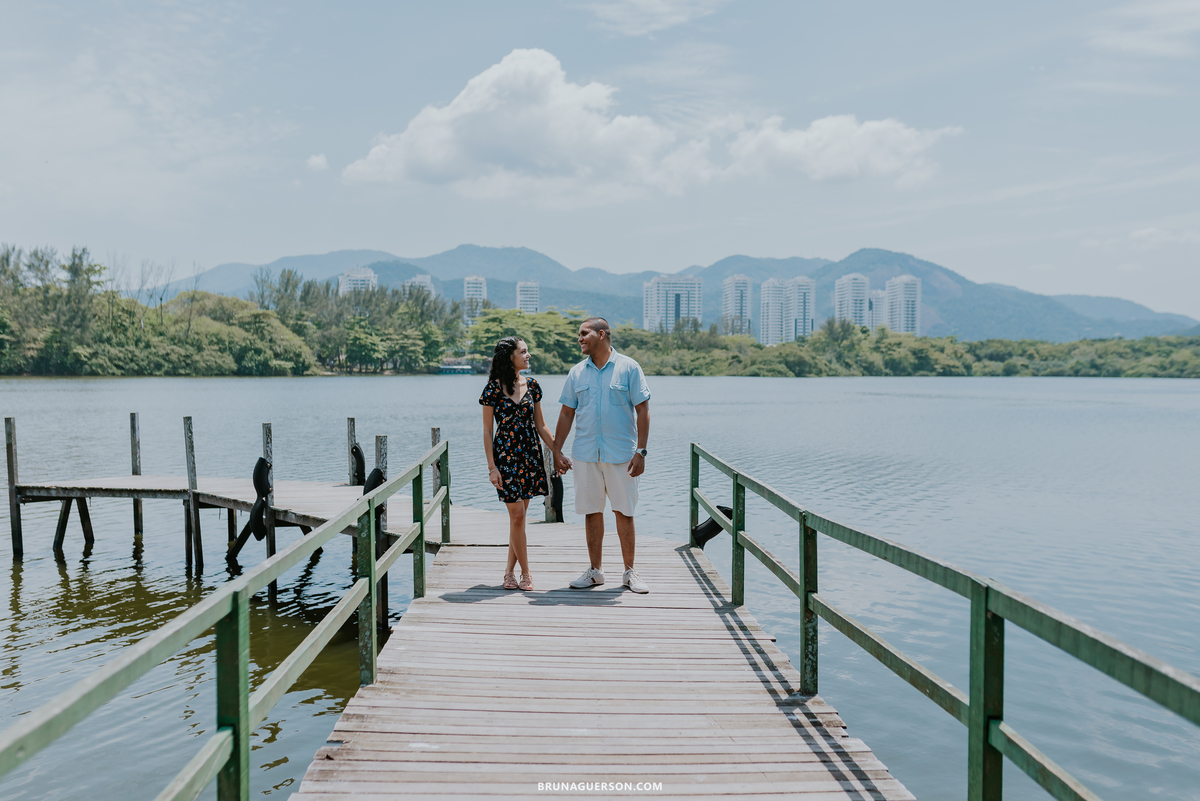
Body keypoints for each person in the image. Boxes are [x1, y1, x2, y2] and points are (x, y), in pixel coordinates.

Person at [552, 317, 651, 594]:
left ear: (602, 334)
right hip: (585, 454)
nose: (580, 338)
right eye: (579, 334)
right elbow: (566, 413)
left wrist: (641, 451)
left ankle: (630, 572)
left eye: (585, 333)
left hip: (622, 455)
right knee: (591, 511)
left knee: (624, 511)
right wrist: (557, 450)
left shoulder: (629, 368)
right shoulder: (576, 373)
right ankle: (595, 572)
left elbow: (643, 410)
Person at [480, 336, 556, 591]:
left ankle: (508, 572)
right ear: (509, 357)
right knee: (518, 516)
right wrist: (492, 467)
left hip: (530, 457)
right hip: (505, 460)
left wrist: (558, 452)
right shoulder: (492, 389)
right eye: (523, 351)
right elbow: (487, 431)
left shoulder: (532, 386)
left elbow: (541, 426)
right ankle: (526, 573)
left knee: (518, 521)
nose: (528, 355)